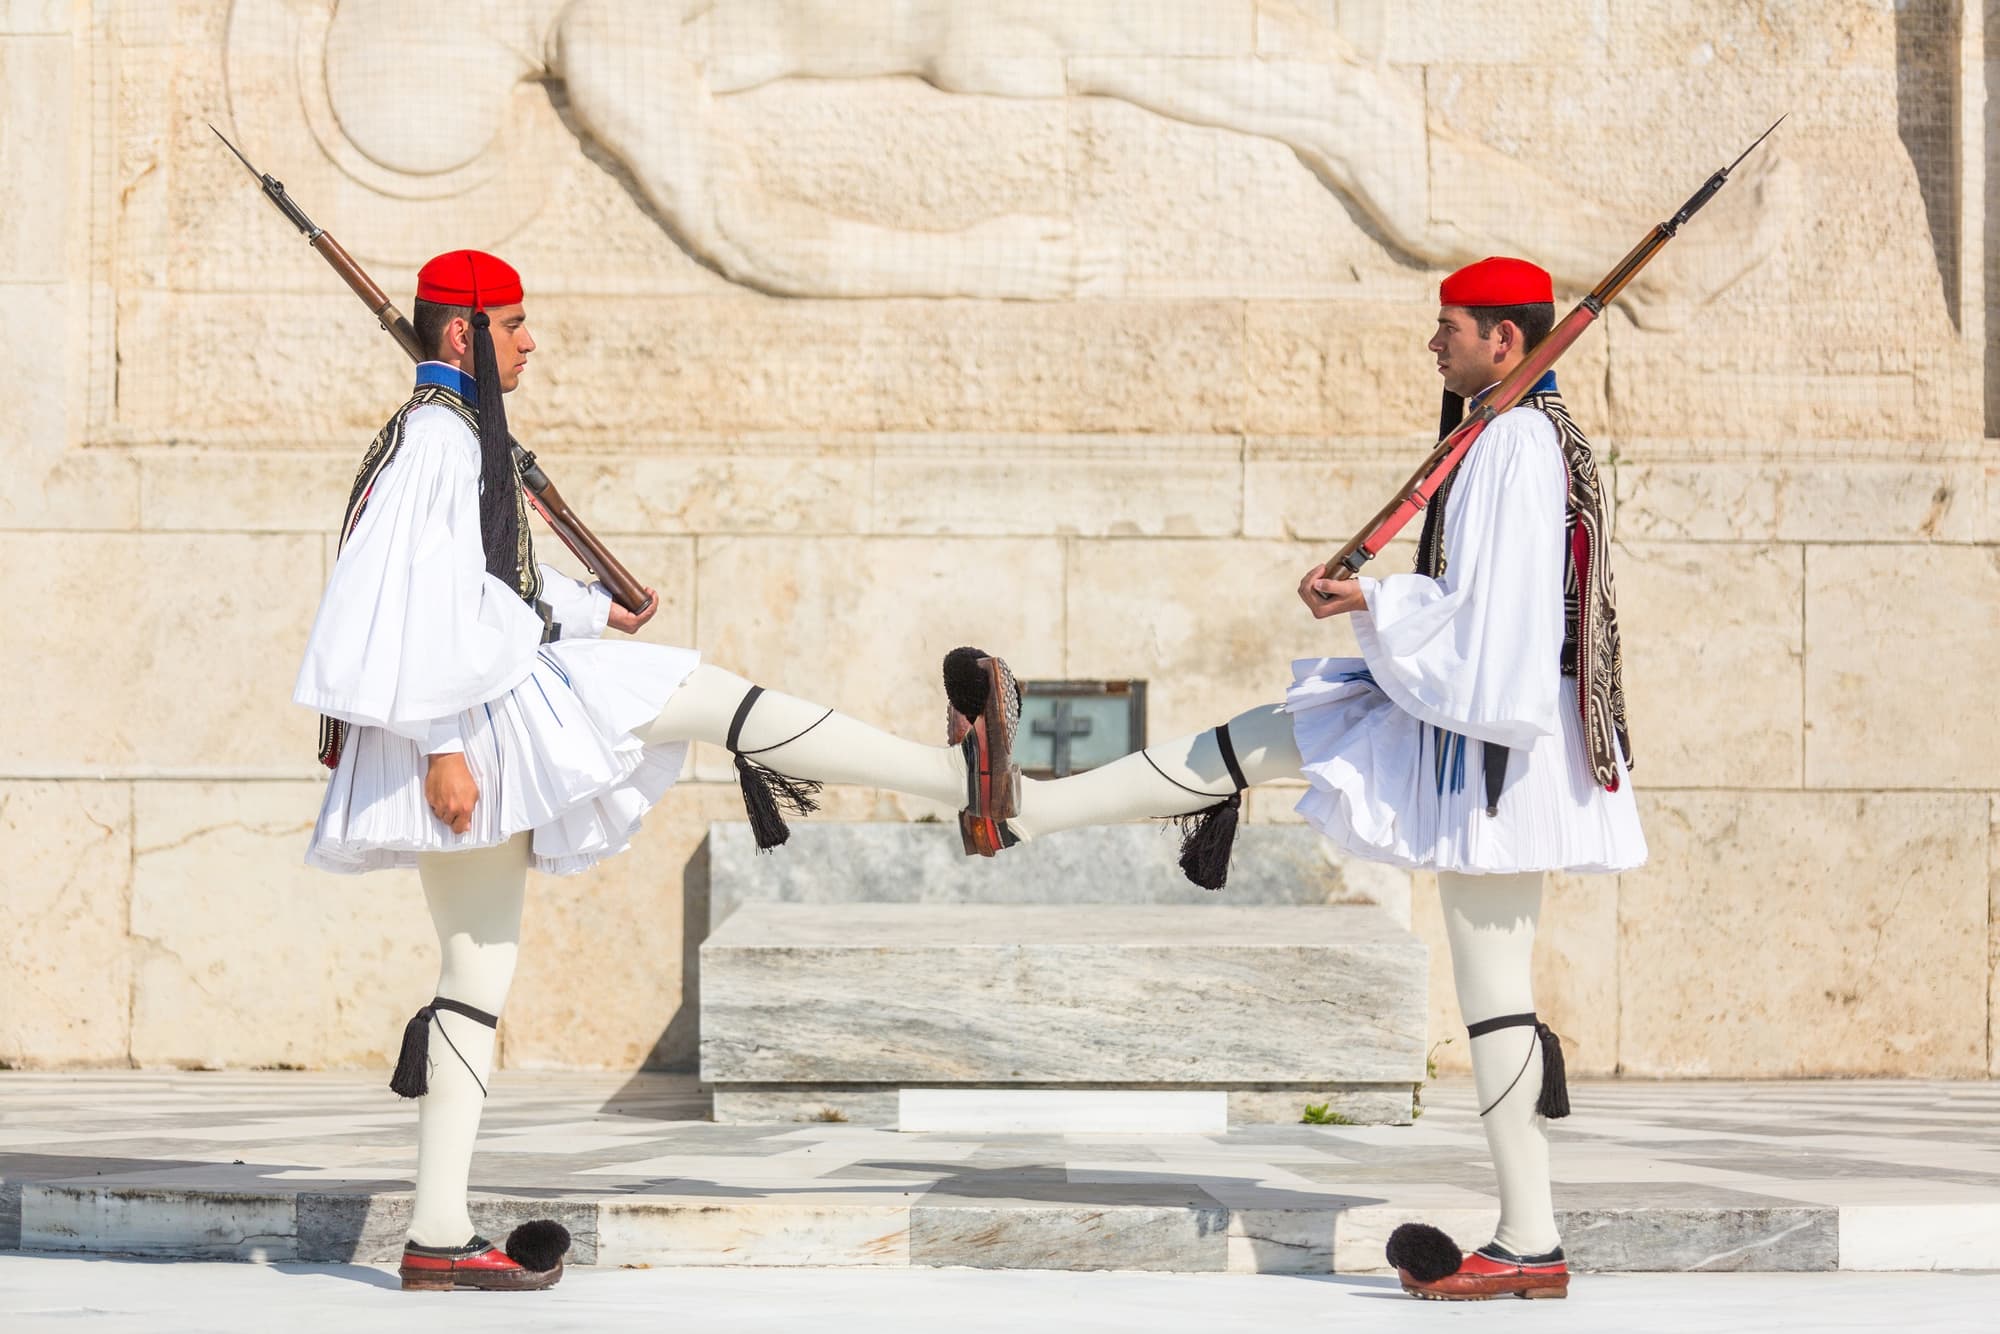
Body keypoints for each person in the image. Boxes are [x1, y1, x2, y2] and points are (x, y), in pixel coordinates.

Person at [293, 249, 1020, 1291]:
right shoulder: (438, 441)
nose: (530, 341)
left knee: (473, 980)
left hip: (472, 715)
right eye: (513, 323)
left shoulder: (449, 430)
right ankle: (956, 781)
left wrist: (591, 609)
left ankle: (437, 1237)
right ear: (463, 333)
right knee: (700, 692)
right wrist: (442, 744)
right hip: (468, 726)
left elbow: (491, 587)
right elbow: (400, 602)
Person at [953, 255, 1644, 1300]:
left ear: (1505, 338)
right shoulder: (1513, 430)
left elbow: (1491, 622)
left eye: (1450, 326)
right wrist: (1378, 602)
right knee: (1277, 734)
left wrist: (1371, 599)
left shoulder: (1515, 441)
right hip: (1480, 722)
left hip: (1495, 746)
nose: (1434, 342)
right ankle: (1026, 809)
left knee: (1497, 997)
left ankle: (1530, 1239)